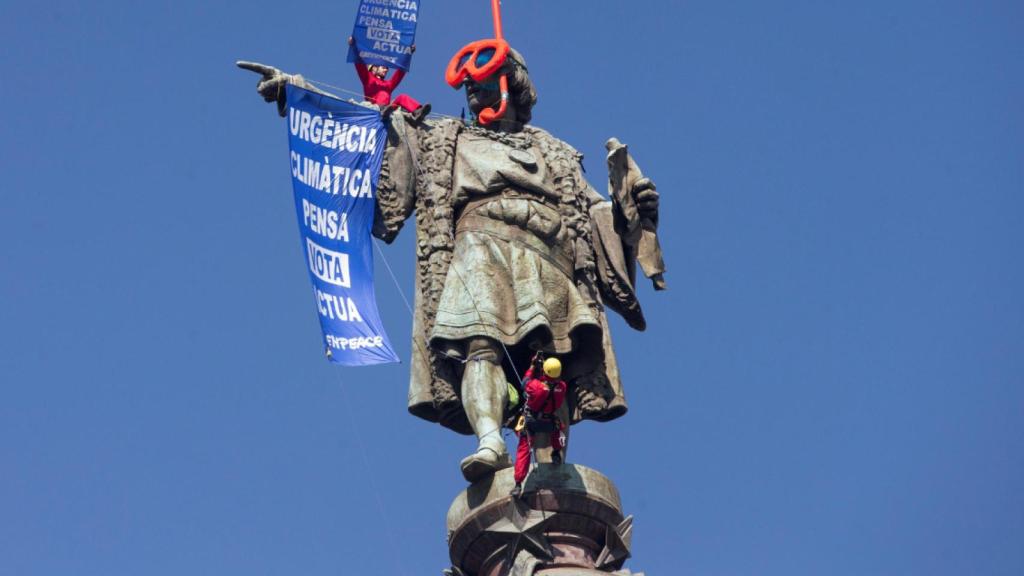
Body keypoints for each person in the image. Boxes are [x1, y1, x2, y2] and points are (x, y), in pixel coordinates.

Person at [510, 354, 567, 498]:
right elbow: (549, 386)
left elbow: (525, 382)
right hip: (549, 422)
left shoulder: (536, 387)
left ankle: (518, 485)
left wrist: (532, 366)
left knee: (524, 450)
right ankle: (556, 454)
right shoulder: (562, 387)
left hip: (532, 422)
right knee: (559, 430)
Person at [348, 37, 430, 122]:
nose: (386, 70)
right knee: (383, 93)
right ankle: (382, 110)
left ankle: (418, 112)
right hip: (375, 108)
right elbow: (360, 66)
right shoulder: (368, 79)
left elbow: (400, 72)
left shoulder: (388, 84)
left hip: (388, 109)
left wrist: (408, 55)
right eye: (383, 67)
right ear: (373, 68)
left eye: (387, 68)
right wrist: (353, 46)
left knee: (402, 97)